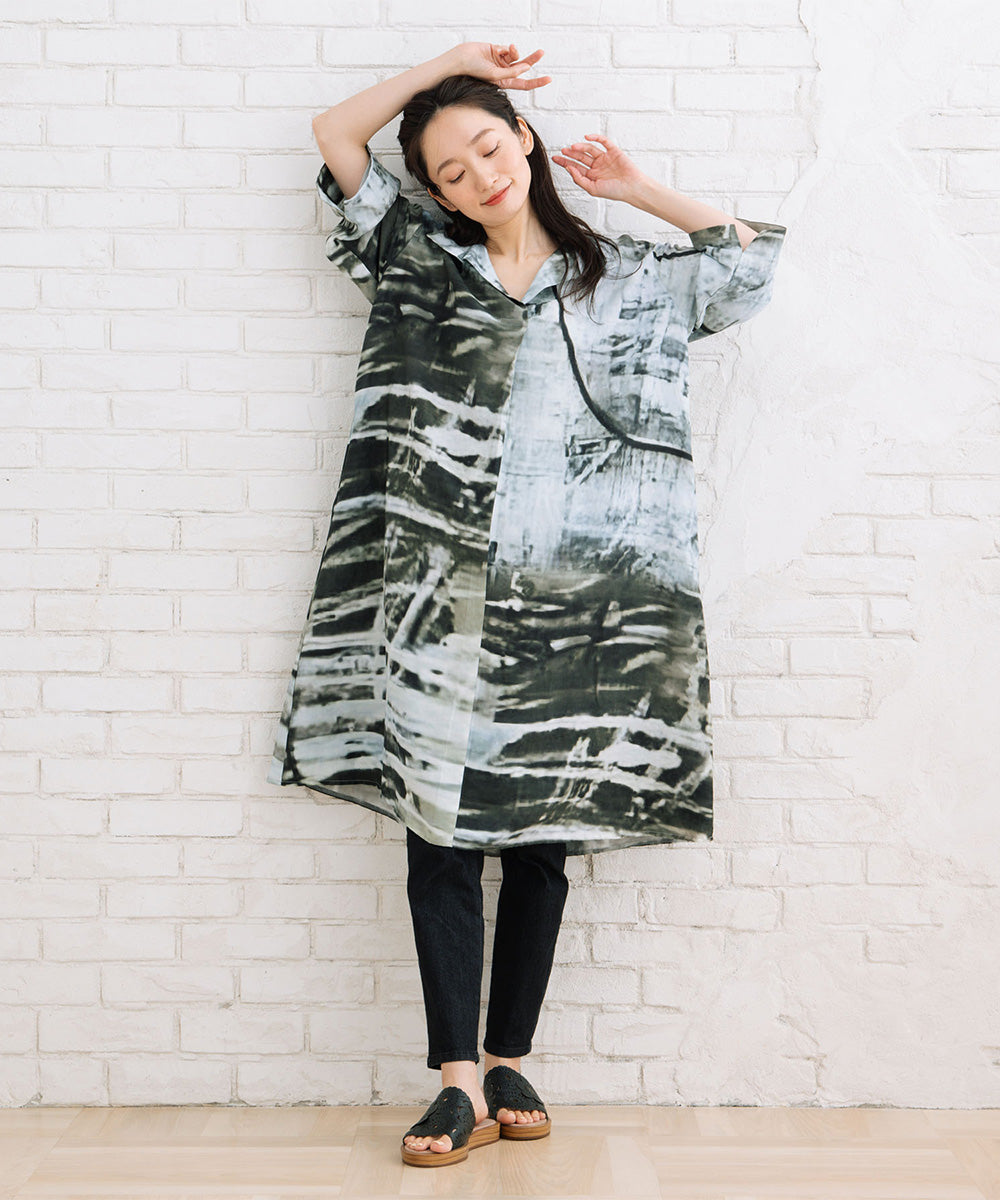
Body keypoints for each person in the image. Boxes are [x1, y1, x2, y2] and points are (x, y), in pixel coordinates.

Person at [267, 40, 787, 1167]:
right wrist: (447, 65)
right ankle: (453, 1081)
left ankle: (508, 1060)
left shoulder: (628, 274)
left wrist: (637, 189)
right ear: (436, 192)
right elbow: (337, 137)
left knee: (541, 843)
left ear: (526, 140)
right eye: (449, 171)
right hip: (436, 604)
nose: (479, 176)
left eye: (489, 147)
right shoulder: (415, 259)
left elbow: (746, 264)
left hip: (586, 608)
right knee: (440, 839)